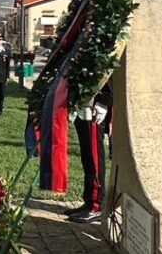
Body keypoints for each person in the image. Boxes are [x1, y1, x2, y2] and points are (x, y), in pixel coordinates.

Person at [66, 83, 112, 223]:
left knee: (94, 155)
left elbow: (111, 73)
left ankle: (97, 204)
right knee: (86, 153)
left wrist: (105, 100)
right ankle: (89, 201)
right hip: (83, 101)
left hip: (96, 103)